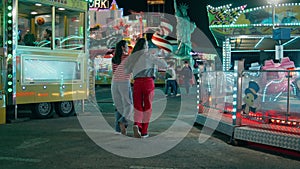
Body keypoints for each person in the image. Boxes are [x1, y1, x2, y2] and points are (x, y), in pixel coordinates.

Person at [125, 37, 167, 138]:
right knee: (147, 107)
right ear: (145, 46)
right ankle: (144, 132)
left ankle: (137, 124)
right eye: (147, 46)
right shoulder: (149, 56)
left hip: (137, 83)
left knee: (138, 106)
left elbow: (127, 71)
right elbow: (164, 64)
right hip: (148, 82)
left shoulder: (133, 57)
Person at [111, 40, 133, 135]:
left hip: (114, 83)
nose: (128, 47)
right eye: (127, 46)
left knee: (118, 106)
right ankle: (122, 121)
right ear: (123, 47)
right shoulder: (127, 57)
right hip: (124, 82)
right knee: (129, 105)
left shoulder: (114, 58)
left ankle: (117, 130)